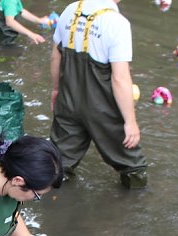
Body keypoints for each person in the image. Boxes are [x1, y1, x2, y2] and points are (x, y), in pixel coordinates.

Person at [49, 0, 148, 188]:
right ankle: (133, 206)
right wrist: (130, 121)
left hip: (67, 100)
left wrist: (56, 90)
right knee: (132, 166)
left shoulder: (70, 10)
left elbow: (56, 57)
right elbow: (120, 79)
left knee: (58, 163)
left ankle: (53, 204)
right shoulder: (117, 23)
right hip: (102, 108)